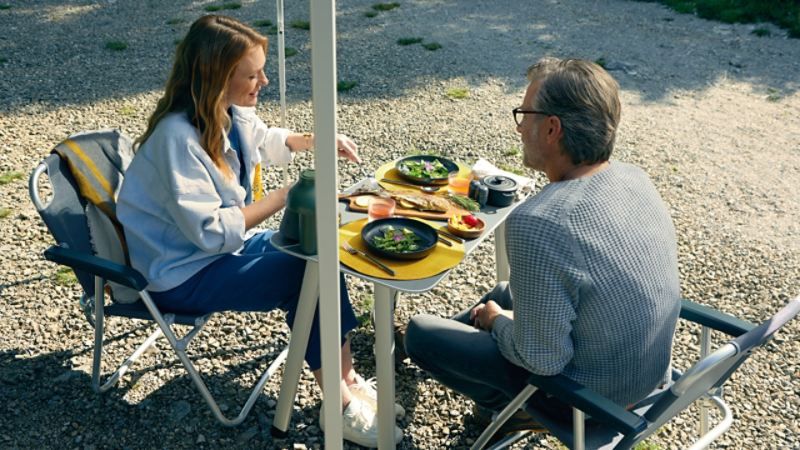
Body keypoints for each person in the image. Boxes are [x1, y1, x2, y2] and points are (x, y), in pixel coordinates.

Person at [117, 15, 402, 447]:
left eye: (262, 70)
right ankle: (338, 407)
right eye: (252, 74)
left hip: (210, 256)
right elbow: (212, 233)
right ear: (216, 77)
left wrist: (315, 139)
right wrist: (283, 196)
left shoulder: (223, 112)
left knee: (322, 250)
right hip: (178, 273)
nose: (264, 81)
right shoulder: (177, 138)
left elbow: (264, 137)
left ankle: (345, 378)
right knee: (303, 274)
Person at [404, 58, 681, 441]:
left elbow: (543, 360)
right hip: (646, 378)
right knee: (504, 293)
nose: (519, 128)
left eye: (524, 115)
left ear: (552, 128)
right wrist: (499, 312)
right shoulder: (633, 177)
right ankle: (470, 347)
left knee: (419, 334)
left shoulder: (540, 221)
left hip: (589, 402)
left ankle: (515, 409)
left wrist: (497, 321)